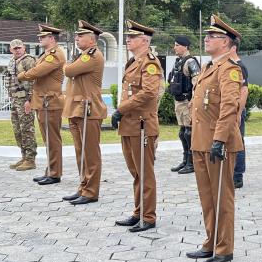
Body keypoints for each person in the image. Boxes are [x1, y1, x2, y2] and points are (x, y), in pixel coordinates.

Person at [186, 15, 244, 262]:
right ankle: (210, 241)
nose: (207, 39)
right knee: (207, 197)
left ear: (226, 42)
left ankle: (224, 248)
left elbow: (230, 107)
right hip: (201, 141)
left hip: (218, 144)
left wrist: (219, 140)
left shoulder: (229, 69)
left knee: (222, 197)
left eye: (213, 36)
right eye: (207, 35)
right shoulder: (209, 67)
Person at [111, 21, 164, 233]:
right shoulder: (134, 61)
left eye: (132, 37)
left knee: (145, 173)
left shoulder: (150, 63)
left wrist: (121, 109)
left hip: (142, 125)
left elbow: (149, 93)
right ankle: (138, 212)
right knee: (136, 172)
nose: (128, 40)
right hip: (130, 124)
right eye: (128, 37)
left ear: (144, 41)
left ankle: (148, 216)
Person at [60, 21, 107, 206]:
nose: (76, 38)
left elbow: (69, 70)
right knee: (81, 152)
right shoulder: (83, 55)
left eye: (80, 36)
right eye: (76, 36)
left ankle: (91, 191)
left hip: (89, 110)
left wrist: (67, 64)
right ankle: (83, 187)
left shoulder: (92, 55)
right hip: (77, 109)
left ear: (92, 39)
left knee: (90, 154)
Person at [18, 24, 66, 186]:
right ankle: (51, 170)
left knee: (52, 140)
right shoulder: (46, 54)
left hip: (50, 102)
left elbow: (38, 72)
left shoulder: (55, 54)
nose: (39, 39)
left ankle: (55, 173)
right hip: (44, 101)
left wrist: (22, 75)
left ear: (52, 38)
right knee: (48, 140)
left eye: (43, 37)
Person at [168, 35, 201, 175]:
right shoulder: (178, 62)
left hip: (188, 102)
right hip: (179, 101)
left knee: (189, 132)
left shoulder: (191, 62)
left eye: (177, 45)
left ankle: (191, 163)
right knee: (182, 133)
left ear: (185, 46)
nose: (174, 47)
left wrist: (194, 100)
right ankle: (185, 160)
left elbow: (197, 82)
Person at [7, 39, 37, 171]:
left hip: (25, 99)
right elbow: (10, 79)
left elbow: (33, 80)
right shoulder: (12, 61)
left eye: (19, 48)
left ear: (24, 48)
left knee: (27, 129)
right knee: (17, 130)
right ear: (11, 50)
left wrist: (29, 100)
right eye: (15, 48)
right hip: (15, 99)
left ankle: (30, 159)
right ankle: (24, 157)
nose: (17, 50)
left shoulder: (28, 60)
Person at [230, 39, 249, 189]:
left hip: (237, 110)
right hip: (230, 110)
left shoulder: (239, 66)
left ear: (233, 48)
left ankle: (237, 176)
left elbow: (244, 91)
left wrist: (239, 112)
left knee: (238, 142)